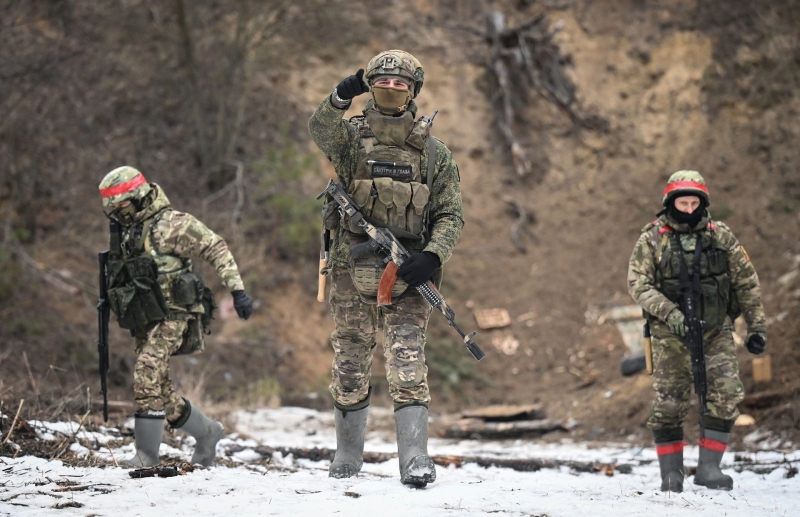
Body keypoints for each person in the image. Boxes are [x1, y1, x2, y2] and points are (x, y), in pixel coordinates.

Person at [308, 50, 464, 487]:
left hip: (410, 275)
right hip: (348, 269)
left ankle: (415, 458)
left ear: (413, 90)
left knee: (408, 362)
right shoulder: (349, 140)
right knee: (350, 360)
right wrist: (341, 95)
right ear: (371, 86)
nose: (391, 88)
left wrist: (432, 256)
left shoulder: (435, 154)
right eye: (383, 81)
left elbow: (451, 214)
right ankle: (346, 456)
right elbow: (319, 128)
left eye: (401, 83)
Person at [98, 166, 254, 467]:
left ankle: (146, 455)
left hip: (176, 314)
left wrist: (237, 291)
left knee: (146, 370)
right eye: (113, 210)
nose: (118, 214)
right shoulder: (127, 231)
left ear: (139, 197)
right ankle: (208, 432)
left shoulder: (175, 224)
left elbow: (215, 247)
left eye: (122, 206)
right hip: (146, 316)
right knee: (161, 389)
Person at [627, 170, 767, 492]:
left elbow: (747, 283)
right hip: (669, 333)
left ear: (702, 203)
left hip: (715, 329)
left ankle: (709, 468)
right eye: (682, 202)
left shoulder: (721, 236)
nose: (688, 209)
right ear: (670, 202)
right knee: (670, 401)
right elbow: (638, 284)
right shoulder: (652, 238)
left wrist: (757, 327)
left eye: (694, 202)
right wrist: (670, 313)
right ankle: (671, 473)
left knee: (725, 393)